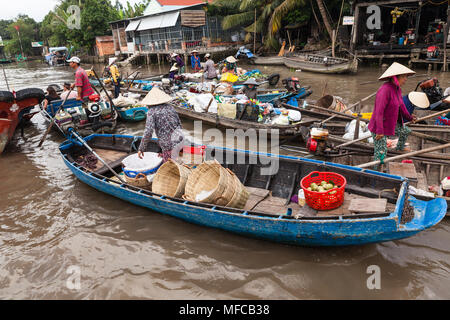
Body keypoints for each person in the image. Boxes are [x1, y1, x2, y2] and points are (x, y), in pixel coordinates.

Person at [368, 62, 418, 169]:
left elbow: (402, 107)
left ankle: (399, 148)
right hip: (379, 126)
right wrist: (380, 131)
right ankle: (376, 173)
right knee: (381, 154)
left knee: (406, 131)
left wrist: (410, 117)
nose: (406, 79)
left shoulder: (397, 89)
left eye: (406, 76)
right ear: (396, 77)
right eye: (404, 76)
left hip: (391, 123)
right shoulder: (385, 90)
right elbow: (378, 112)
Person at [137, 87, 184, 163]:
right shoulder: (170, 107)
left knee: (170, 168)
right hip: (180, 139)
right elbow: (179, 124)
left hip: (168, 145)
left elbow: (148, 132)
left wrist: (141, 148)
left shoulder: (151, 112)